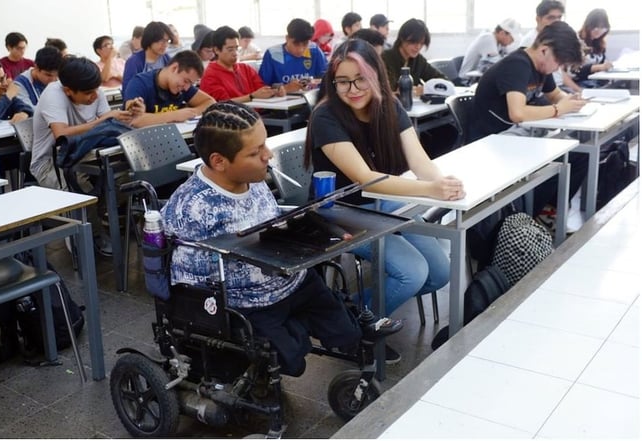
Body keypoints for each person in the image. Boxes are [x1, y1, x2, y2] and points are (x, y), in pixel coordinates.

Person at [161, 100, 402, 376]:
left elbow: (270, 224)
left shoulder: (253, 179)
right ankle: (292, 334)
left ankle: (333, 327)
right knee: (292, 362)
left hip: (290, 280)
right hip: (248, 301)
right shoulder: (194, 208)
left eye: (265, 144)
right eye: (256, 152)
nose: (268, 156)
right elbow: (190, 277)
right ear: (219, 161)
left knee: (346, 332)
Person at [305, 39, 460, 361]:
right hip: (341, 210)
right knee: (413, 272)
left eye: (360, 78)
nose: (352, 89)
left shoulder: (390, 107)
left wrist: (441, 182)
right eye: (343, 81)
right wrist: (430, 191)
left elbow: (419, 161)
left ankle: (343, 312)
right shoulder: (326, 117)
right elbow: (364, 179)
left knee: (440, 273)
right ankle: (355, 328)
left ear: (376, 74)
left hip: (385, 202)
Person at [468, 21, 588, 218]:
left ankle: (546, 212)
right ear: (544, 50)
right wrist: (559, 109)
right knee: (559, 158)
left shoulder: (542, 68)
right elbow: (518, 113)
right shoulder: (518, 65)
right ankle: (526, 220)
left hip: (517, 137)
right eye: (558, 62)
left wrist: (571, 102)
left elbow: (555, 95)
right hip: (493, 142)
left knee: (578, 153)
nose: (557, 68)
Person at [30, 56, 144, 254]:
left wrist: (128, 115)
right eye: (88, 94)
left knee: (126, 177)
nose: (94, 96)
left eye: (95, 90)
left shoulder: (93, 89)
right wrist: (104, 120)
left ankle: (95, 218)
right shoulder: (53, 95)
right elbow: (61, 134)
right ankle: (91, 234)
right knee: (80, 185)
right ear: (68, 91)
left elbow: (107, 126)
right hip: (51, 165)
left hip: (89, 158)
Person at [123, 50, 215, 127]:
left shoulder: (183, 87)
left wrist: (191, 112)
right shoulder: (139, 83)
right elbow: (132, 119)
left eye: (190, 83)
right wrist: (174, 115)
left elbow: (210, 102)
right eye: (186, 81)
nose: (186, 88)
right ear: (174, 68)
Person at [200, 26, 284, 103]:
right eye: (230, 49)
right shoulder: (210, 75)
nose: (235, 53)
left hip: (259, 113)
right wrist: (251, 97)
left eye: (236, 48)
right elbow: (223, 104)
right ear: (216, 50)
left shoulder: (246, 68)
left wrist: (274, 91)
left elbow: (261, 89)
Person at [259, 18, 328, 93]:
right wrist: (285, 88)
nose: (301, 49)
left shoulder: (314, 50)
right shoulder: (273, 54)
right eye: (296, 44)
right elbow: (261, 88)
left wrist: (313, 83)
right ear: (287, 38)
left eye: (305, 44)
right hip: (282, 102)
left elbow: (327, 80)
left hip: (312, 101)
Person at [382, 18, 447, 96]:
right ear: (402, 38)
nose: (418, 47)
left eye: (422, 43)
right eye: (413, 42)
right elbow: (381, 93)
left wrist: (427, 89)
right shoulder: (385, 59)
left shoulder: (418, 59)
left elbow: (444, 82)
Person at [517, 1, 567, 90]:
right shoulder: (530, 41)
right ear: (538, 19)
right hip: (543, 91)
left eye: (559, 17)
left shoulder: (553, 39)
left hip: (557, 87)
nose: (556, 22)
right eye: (551, 18)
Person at [568, 9, 613, 90]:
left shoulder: (599, 42)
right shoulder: (575, 41)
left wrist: (605, 66)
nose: (599, 31)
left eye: (603, 28)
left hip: (596, 81)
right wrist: (598, 67)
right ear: (589, 26)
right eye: (596, 27)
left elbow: (601, 63)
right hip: (579, 82)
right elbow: (573, 71)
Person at [122, 21, 174, 91]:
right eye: (162, 40)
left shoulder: (166, 59)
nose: (165, 45)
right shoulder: (133, 62)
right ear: (150, 39)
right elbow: (127, 91)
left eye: (167, 41)